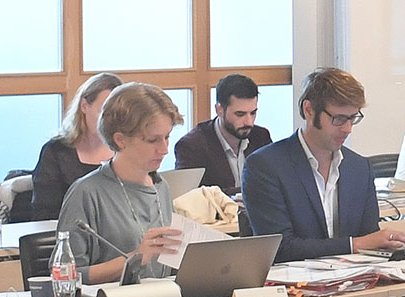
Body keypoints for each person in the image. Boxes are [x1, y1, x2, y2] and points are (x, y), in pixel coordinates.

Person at [243, 68, 405, 263]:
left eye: (352, 118)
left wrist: (393, 248)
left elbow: (370, 239)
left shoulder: (359, 168)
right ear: (309, 110)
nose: (347, 129)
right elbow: (280, 248)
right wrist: (354, 245)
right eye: (338, 119)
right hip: (296, 279)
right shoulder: (265, 166)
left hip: (356, 277)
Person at [56, 83, 183, 284]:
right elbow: (66, 275)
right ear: (120, 140)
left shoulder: (161, 187)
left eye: (167, 137)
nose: (164, 149)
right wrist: (135, 258)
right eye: (152, 140)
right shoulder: (86, 192)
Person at [30, 73, 122, 222]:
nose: (110, 121)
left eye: (117, 114)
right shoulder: (56, 151)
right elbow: (44, 214)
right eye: (103, 112)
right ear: (84, 106)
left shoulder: (128, 151)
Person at [173, 73, 272, 196]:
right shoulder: (192, 146)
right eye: (240, 114)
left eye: (253, 113)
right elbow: (190, 197)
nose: (249, 122)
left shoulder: (261, 137)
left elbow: (274, 183)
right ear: (219, 110)